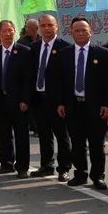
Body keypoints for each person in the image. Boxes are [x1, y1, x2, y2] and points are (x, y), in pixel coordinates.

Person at [53, 17, 108, 190]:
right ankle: (80, 174)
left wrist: (106, 104)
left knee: (96, 143)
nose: (80, 33)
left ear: (90, 32)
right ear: (71, 32)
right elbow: (60, 82)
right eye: (76, 30)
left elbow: (107, 82)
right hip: (73, 105)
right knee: (77, 143)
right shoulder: (64, 54)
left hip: (95, 106)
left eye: (83, 30)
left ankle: (98, 176)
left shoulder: (101, 53)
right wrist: (60, 103)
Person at [29, 14, 72, 181]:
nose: (47, 28)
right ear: (39, 28)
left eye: (50, 25)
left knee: (62, 135)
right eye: (43, 25)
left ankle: (64, 169)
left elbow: (67, 79)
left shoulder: (65, 48)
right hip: (39, 98)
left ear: (57, 27)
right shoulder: (34, 48)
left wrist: (63, 101)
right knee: (44, 135)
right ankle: (46, 166)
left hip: (57, 101)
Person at [0, 20, 32, 178]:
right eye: (4, 31)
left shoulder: (25, 51)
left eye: (10, 30)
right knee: (3, 134)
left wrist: (25, 100)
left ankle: (22, 167)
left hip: (19, 101)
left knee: (21, 135)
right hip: (0, 100)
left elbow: (28, 79)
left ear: (15, 32)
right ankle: (6, 163)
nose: (8, 33)